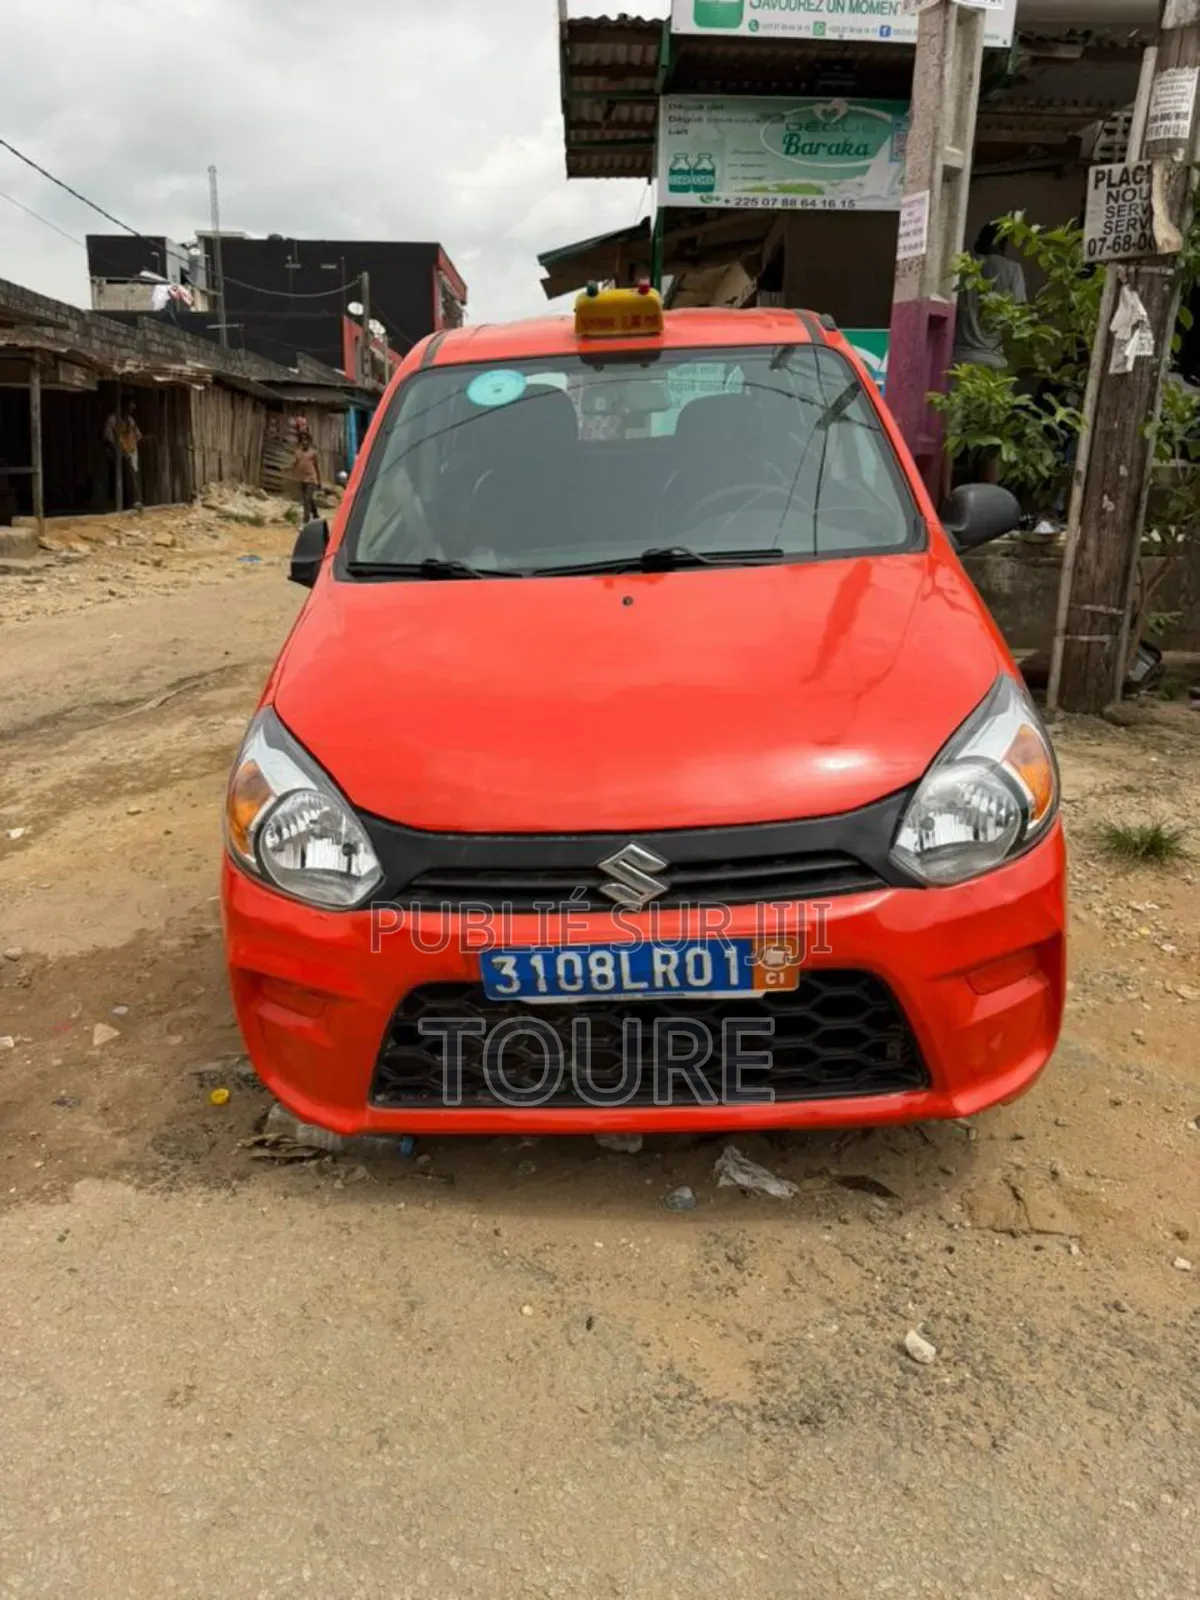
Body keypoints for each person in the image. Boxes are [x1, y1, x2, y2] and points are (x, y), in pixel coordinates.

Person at [951, 221, 1028, 485]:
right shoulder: (1012, 270)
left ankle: (940, 496)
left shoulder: (964, 267)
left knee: (952, 437)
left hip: (960, 361)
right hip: (994, 363)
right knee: (993, 439)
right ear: (1004, 244)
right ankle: (990, 497)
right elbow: (1018, 318)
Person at [103, 403, 144, 509]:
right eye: (130, 405)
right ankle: (118, 503)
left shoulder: (130, 420)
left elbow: (138, 435)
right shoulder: (113, 419)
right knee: (117, 478)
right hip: (117, 453)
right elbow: (108, 436)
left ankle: (134, 501)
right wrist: (119, 449)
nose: (132, 408)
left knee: (132, 475)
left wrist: (131, 443)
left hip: (129, 450)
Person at [292, 430, 321, 522]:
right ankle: (315, 514)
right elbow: (295, 464)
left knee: (306, 499)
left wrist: (319, 480)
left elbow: (317, 466)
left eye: (306, 440)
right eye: (303, 440)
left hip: (312, 479)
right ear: (300, 442)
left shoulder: (313, 453)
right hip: (302, 479)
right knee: (309, 499)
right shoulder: (298, 453)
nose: (304, 442)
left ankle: (306, 519)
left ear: (309, 441)